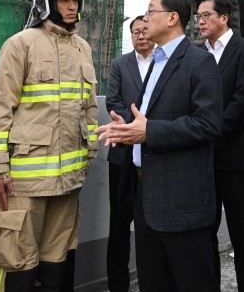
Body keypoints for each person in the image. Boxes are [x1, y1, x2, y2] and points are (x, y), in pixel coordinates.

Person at [0, 0, 98, 292]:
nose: (72, 7)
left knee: (56, 263)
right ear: (46, 4)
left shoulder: (83, 48)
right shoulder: (21, 44)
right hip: (24, 182)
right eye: (64, 1)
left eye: (75, 1)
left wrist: (88, 156)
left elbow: (89, 108)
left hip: (68, 181)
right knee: (14, 260)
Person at [96, 0, 221, 292]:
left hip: (181, 202)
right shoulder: (157, 62)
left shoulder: (199, 61)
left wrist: (149, 132)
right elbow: (147, 117)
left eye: (151, 11)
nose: (146, 18)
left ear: (172, 18)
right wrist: (129, 128)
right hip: (145, 196)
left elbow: (208, 124)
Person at [195, 0, 244, 292]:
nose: (200, 22)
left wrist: (207, 133)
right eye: (198, 17)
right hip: (204, 163)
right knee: (204, 235)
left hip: (236, 161)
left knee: (243, 236)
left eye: (206, 15)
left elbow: (242, 102)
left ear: (224, 17)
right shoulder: (197, 55)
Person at [104, 16, 154, 292]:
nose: (141, 35)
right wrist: (135, 127)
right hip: (122, 156)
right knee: (120, 224)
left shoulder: (164, 62)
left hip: (155, 155)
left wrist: (151, 129)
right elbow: (112, 101)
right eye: (136, 32)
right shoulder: (120, 64)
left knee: (150, 226)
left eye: (145, 30)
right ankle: (118, 286)